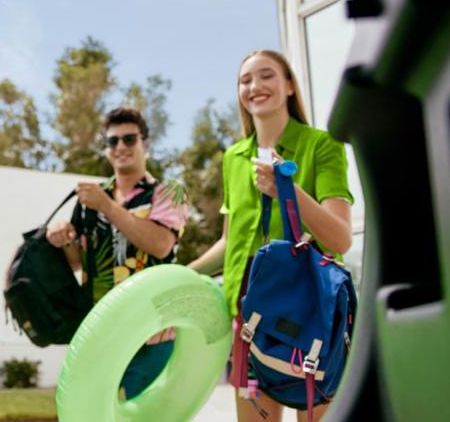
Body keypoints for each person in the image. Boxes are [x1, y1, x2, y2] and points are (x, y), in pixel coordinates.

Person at [188, 49, 353, 422]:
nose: (254, 86)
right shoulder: (233, 157)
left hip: (311, 314)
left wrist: (287, 190)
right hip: (249, 319)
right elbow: (230, 243)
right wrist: (181, 273)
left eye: (266, 75)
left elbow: (341, 239)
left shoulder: (322, 145)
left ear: (290, 85)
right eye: (245, 80)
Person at [46, 106, 188, 400]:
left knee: (149, 417)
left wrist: (108, 207)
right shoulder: (89, 199)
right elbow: (77, 262)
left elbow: (161, 244)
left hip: (152, 331)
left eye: (129, 139)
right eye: (112, 141)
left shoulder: (168, 191)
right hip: (99, 331)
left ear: (146, 144)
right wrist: (63, 239)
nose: (120, 147)